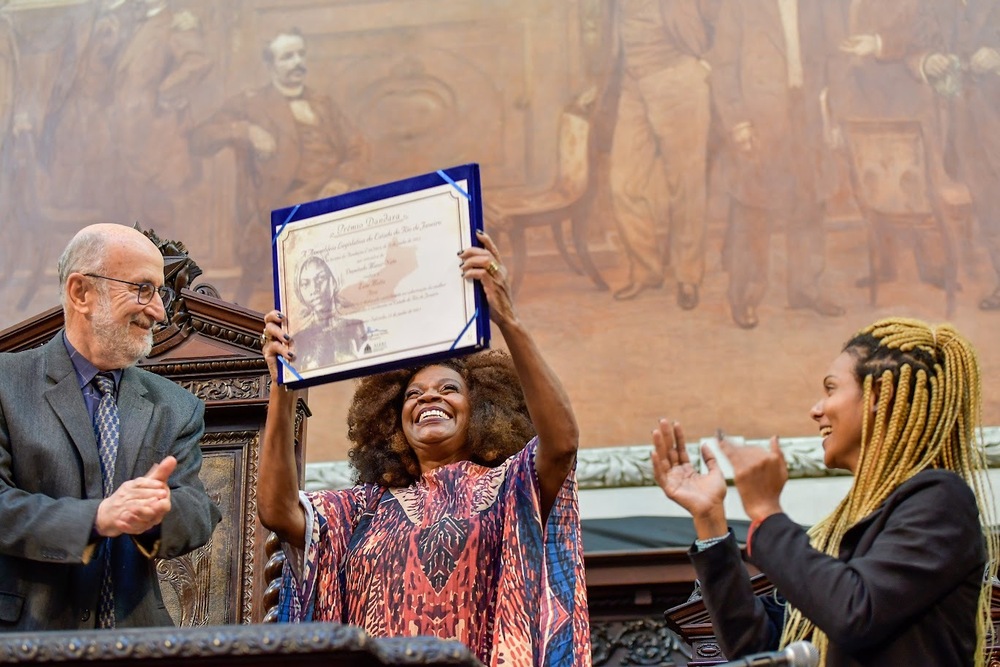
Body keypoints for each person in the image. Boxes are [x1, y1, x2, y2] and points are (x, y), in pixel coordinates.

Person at [258, 231, 590, 666]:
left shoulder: (512, 486)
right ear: (392, 422)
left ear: (482, 410)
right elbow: (277, 510)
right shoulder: (362, 509)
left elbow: (562, 444)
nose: (428, 398)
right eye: (413, 395)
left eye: (448, 389)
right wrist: (285, 387)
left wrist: (507, 319)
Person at [651, 317, 998, 665]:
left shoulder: (941, 500)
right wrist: (710, 519)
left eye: (831, 389)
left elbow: (853, 614)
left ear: (880, 396)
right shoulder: (847, 528)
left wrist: (767, 512)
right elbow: (760, 652)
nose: (816, 410)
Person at [0, 223, 221, 630]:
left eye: (161, 293)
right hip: (23, 637)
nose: (158, 311)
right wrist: (97, 517)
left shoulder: (176, 407)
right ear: (80, 292)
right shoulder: (5, 384)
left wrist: (156, 513)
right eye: (142, 289)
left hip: (138, 642)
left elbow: (197, 513)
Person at [189, 27, 369, 308]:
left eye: (300, 54)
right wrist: (245, 129)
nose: (297, 62)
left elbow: (357, 149)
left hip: (329, 202)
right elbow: (200, 138)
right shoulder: (251, 103)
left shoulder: (323, 104)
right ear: (270, 64)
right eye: (287, 57)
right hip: (277, 211)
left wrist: (341, 182)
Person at [710, 0, 845, 329]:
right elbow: (724, 68)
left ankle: (805, 287)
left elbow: (835, 59)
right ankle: (745, 295)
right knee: (753, 209)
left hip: (808, 114)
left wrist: (836, 117)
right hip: (761, 119)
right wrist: (738, 123)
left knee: (810, 202)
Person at [608, 0, 720, 309]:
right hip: (632, 82)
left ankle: (688, 275)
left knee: (686, 185)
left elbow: (722, 14)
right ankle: (646, 270)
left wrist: (707, 61)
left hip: (677, 76)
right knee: (623, 183)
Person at [291, 255, 367, 369]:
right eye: (305, 284)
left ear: (334, 281)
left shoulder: (357, 327)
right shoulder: (298, 340)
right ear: (300, 291)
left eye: (320, 279)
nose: (314, 289)